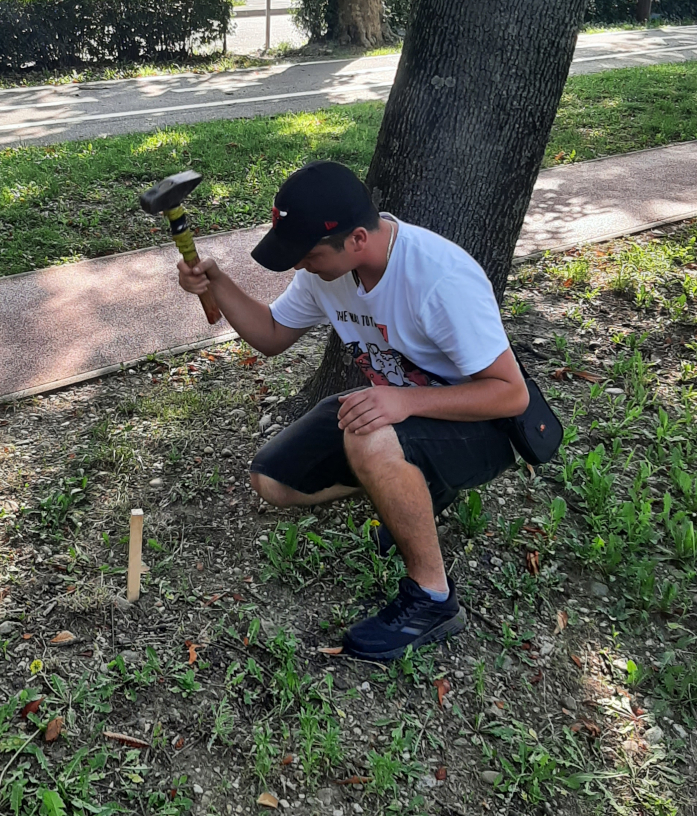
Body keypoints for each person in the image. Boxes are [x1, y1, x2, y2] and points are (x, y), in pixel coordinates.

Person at [176, 160, 529, 660]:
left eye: (309, 255)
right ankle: (412, 486)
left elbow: (511, 395)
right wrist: (216, 282)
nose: (301, 266)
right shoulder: (328, 273)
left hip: (481, 425)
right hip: (399, 408)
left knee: (369, 437)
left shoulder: (439, 277)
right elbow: (272, 335)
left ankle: (433, 600)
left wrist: (402, 400)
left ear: (358, 239)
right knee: (272, 481)